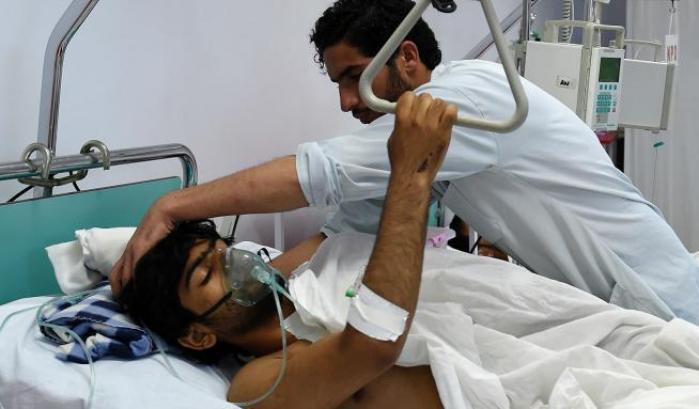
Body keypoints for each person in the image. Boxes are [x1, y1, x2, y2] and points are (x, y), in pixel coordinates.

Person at [111, 0, 699, 324]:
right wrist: (252, 293)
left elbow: (320, 173)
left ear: (407, 58)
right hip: (608, 301)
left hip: (659, 299)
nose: (346, 102)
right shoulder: (418, 139)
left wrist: (171, 205)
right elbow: (344, 231)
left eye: (353, 78)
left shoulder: (466, 100)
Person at [122, 92, 456, 408]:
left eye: (225, 252)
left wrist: (169, 208)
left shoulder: (308, 275)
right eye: (208, 273)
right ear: (197, 335)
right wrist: (410, 177)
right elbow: (374, 345)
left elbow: (313, 194)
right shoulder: (257, 383)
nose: (236, 264)